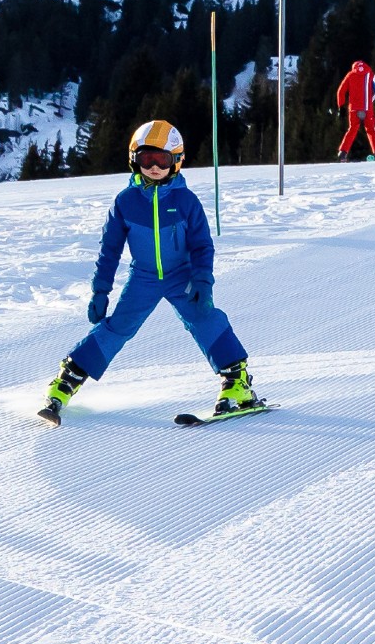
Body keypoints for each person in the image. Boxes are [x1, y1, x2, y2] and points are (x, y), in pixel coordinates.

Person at [41, 121, 263, 422]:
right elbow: (109, 250)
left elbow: (202, 245)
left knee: (204, 318)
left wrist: (202, 281)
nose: (155, 167)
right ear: (135, 160)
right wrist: (100, 290)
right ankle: (67, 381)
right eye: (147, 159)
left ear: (177, 161)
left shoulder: (186, 201)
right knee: (118, 327)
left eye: (162, 159)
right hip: (143, 277)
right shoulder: (125, 202)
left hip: (181, 275)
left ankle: (237, 383)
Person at [335, 59, 375, 159]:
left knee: (352, 129)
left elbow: (340, 91)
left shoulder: (350, 75)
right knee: (371, 130)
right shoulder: (370, 75)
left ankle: (343, 153)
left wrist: (341, 107)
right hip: (367, 109)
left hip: (353, 109)